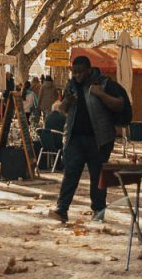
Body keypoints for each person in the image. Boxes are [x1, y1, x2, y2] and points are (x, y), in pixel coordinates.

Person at [50, 55, 127, 224]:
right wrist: (67, 102)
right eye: (74, 72)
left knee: (97, 176)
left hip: (98, 139)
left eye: (80, 72)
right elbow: (62, 110)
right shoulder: (71, 86)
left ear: (89, 70)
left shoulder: (104, 83)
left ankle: (98, 211)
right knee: (70, 174)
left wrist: (101, 95)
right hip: (75, 138)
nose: (76, 76)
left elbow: (120, 104)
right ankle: (62, 209)